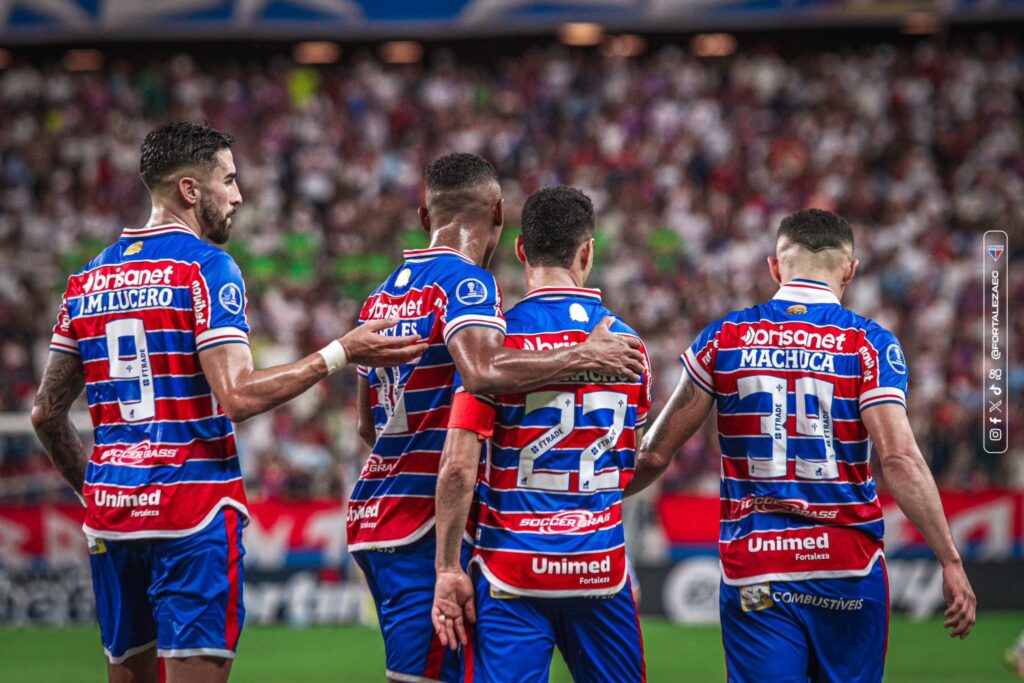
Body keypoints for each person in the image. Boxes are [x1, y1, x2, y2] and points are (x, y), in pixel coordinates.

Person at [31, 121, 426, 683]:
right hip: (193, 514)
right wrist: (341, 351)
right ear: (191, 190)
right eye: (229, 180)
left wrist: (94, 489)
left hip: (113, 516)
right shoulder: (206, 268)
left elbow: (46, 414)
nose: (238, 195)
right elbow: (237, 396)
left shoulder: (86, 279)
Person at [625, 208, 976, 682]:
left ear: (775, 266)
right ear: (850, 270)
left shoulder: (724, 338)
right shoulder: (868, 344)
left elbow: (652, 454)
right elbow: (898, 458)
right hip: (846, 567)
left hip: (758, 566)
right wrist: (950, 559)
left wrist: (585, 500)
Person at [349, 157, 645, 683]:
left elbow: (365, 428)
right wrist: (581, 355)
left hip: (377, 515)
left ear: (424, 215)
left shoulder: (379, 297)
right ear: (498, 214)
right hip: (432, 524)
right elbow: (483, 373)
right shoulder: (474, 289)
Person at [430, 186, 652, 682]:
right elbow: (632, 459)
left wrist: (447, 568)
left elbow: (459, 467)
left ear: (521, 250)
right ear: (588, 250)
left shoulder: (492, 345)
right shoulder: (629, 346)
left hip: (512, 572)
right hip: (600, 569)